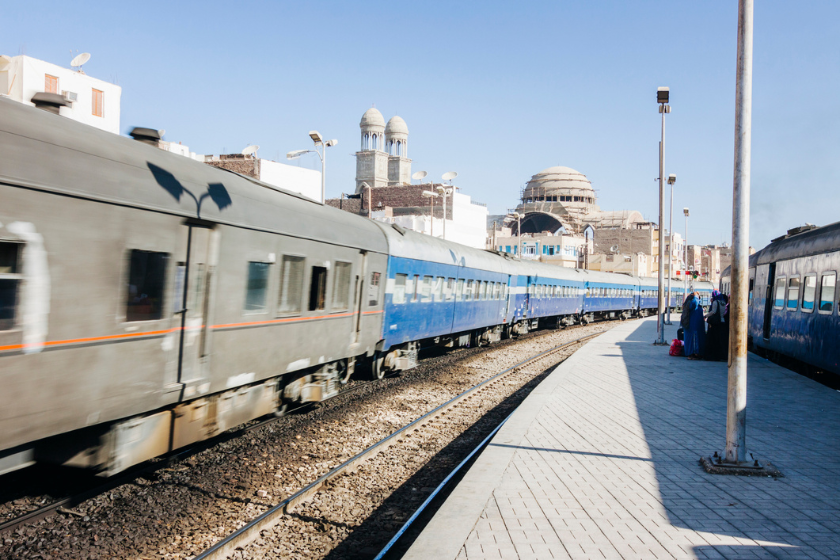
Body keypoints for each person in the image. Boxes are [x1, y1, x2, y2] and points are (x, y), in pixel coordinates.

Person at [704, 290, 728, 361]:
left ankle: (713, 355)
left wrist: (706, 316)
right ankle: (720, 355)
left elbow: (713, 312)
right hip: (722, 322)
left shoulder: (715, 302)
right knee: (720, 339)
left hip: (715, 323)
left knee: (714, 339)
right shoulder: (724, 302)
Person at [683, 291, 706, 360]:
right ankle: (693, 354)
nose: (699, 298)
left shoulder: (694, 305)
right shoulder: (691, 304)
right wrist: (695, 296)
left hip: (696, 326)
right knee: (693, 340)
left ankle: (697, 353)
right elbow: (695, 303)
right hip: (693, 326)